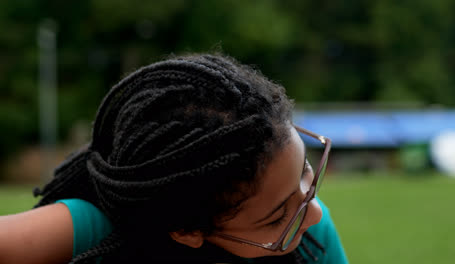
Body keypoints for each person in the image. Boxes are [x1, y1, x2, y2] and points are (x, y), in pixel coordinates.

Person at [0, 53, 347, 263]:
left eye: (306, 172)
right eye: (275, 219)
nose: (314, 213)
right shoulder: (96, 231)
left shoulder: (309, 242)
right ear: (186, 231)